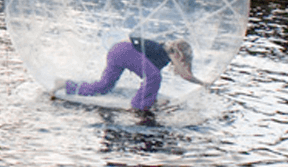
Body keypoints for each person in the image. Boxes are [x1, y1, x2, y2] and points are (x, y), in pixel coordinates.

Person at [57, 37, 203, 111]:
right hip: (126, 50)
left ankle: (65, 84)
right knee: (154, 77)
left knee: (104, 86)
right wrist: (204, 84)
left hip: (117, 49)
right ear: (179, 53)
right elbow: (185, 75)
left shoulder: (159, 54)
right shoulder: (169, 50)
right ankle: (138, 106)